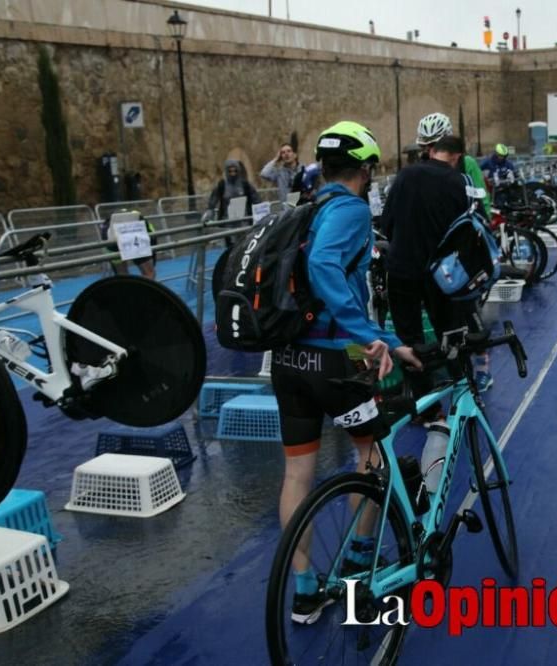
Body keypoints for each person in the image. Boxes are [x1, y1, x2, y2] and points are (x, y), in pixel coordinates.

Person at [272, 120, 419, 623]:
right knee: (374, 452)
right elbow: (326, 270)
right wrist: (374, 341)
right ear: (365, 168)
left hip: (288, 359)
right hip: (339, 356)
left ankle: (305, 589)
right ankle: (360, 557)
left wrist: (393, 343)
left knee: (297, 471)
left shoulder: (306, 208)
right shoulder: (352, 208)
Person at [382, 134, 493, 394]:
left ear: (432, 152)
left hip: (401, 269)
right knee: (451, 333)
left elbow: (387, 222)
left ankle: (423, 405)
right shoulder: (459, 182)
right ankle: (461, 390)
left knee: (409, 339)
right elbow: (472, 229)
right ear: (456, 158)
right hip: (442, 274)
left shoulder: (404, 176)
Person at [416, 112, 491, 217]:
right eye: (427, 147)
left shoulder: (467, 163)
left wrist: (484, 223)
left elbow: (483, 200)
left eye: (436, 145)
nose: (432, 151)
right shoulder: (420, 169)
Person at [204, 160, 261, 247]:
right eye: (230, 171)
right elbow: (213, 201)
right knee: (230, 247)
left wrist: (261, 213)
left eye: (235, 170)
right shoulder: (222, 185)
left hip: (244, 221)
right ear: (227, 171)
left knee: (244, 245)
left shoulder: (244, 184)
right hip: (227, 223)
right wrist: (208, 214)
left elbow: (256, 199)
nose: (233, 173)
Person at [100, 209, 156, 280]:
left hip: (116, 237)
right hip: (123, 237)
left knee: (122, 275)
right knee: (148, 272)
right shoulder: (143, 223)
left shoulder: (142, 223)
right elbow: (153, 240)